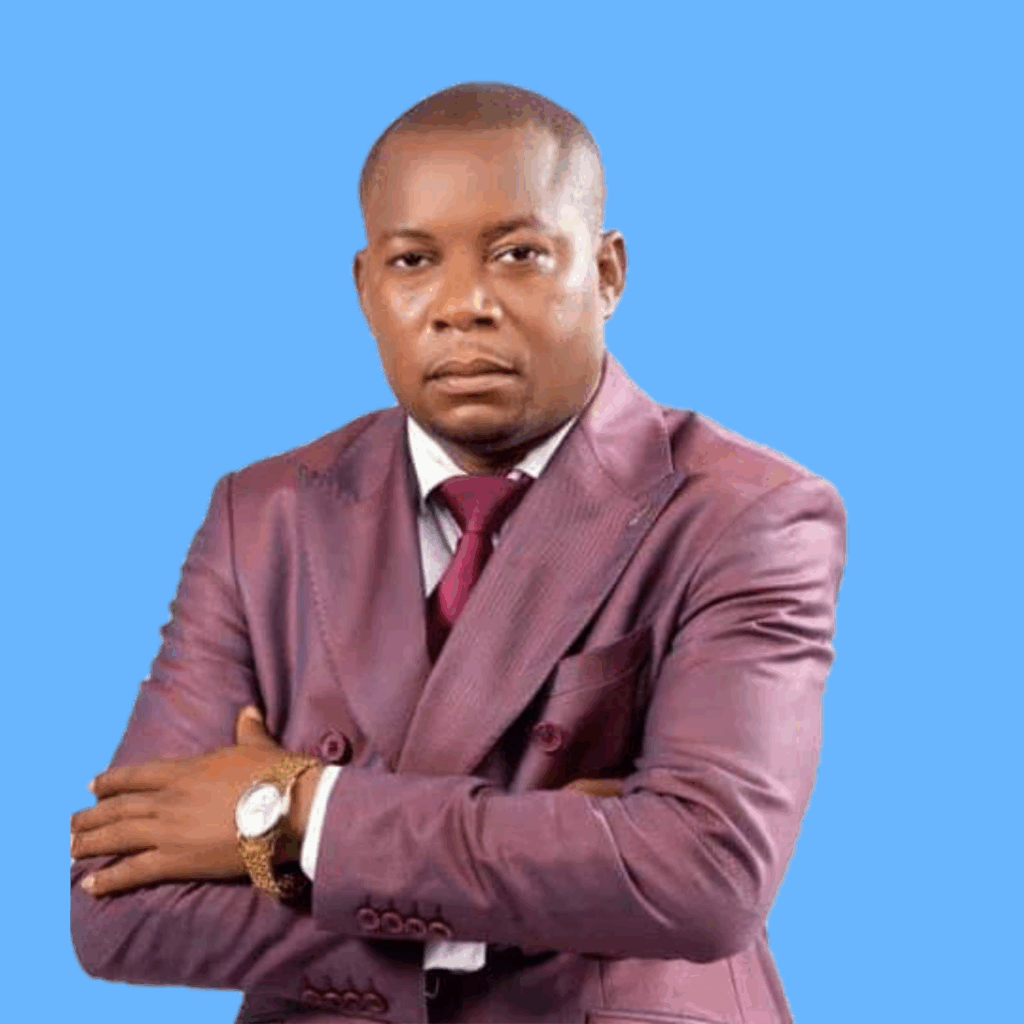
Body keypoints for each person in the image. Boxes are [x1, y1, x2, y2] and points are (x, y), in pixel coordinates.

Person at [70, 82, 846, 1024]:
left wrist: (298, 814)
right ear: (366, 288)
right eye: (414, 260)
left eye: (518, 255)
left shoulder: (744, 513)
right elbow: (118, 907)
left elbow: (705, 876)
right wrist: (555, 885)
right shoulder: (262, 515)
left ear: (606, 273)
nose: (462, 305)